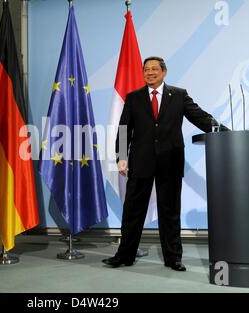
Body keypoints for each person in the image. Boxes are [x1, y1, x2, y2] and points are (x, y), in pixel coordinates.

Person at [102, 56, 228, 271]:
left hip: (170, 161)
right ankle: (124, 255)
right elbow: (124, 130)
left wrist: (225, 132)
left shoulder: (178, 95)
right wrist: (121, 157)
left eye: (154, 69)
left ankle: (173, 258)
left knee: (170, 212)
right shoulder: (133, 97)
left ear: (164, 72)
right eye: (146, 70)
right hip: (140, 162)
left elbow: (199, 117)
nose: (149, 73)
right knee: (133, 211)